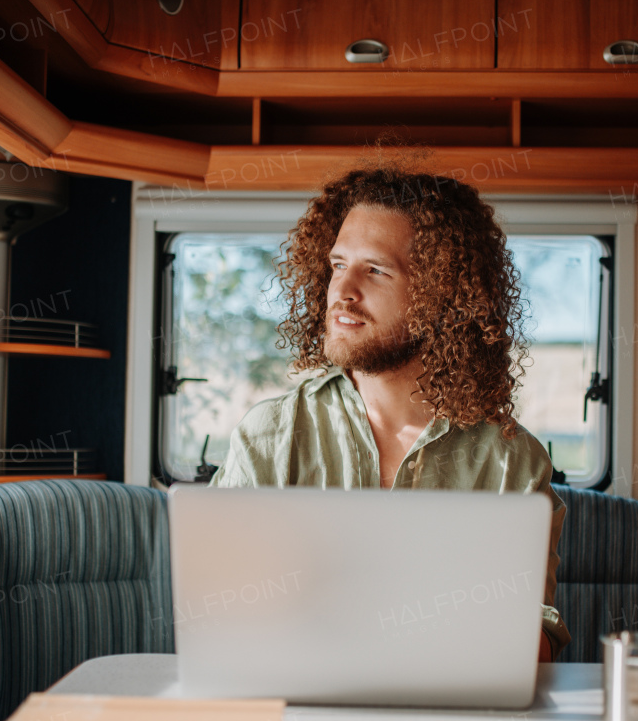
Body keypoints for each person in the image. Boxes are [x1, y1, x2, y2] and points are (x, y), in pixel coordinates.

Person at [209, 163, 571, 661]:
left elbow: (537, 633)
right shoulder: (269, 436)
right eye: (338, 264)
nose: (342, 290)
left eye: (375, 270)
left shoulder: (512, 460)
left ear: (440, 295)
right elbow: (222, 619)